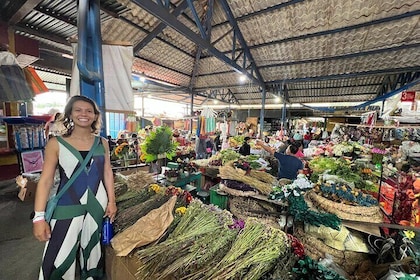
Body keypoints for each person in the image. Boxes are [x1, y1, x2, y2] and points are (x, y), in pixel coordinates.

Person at [33, 95, 117, 280]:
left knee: (93, 252)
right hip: (67, 205)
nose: (84, 114)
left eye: (89, 111)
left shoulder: (101, 142)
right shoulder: (56, 143)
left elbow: (107, 172)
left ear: (95, 116)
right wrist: (39, 217)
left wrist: (112, 201)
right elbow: (45, 180)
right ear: (70, 113)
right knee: (59, 254)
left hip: (97, 205)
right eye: (78, 110)